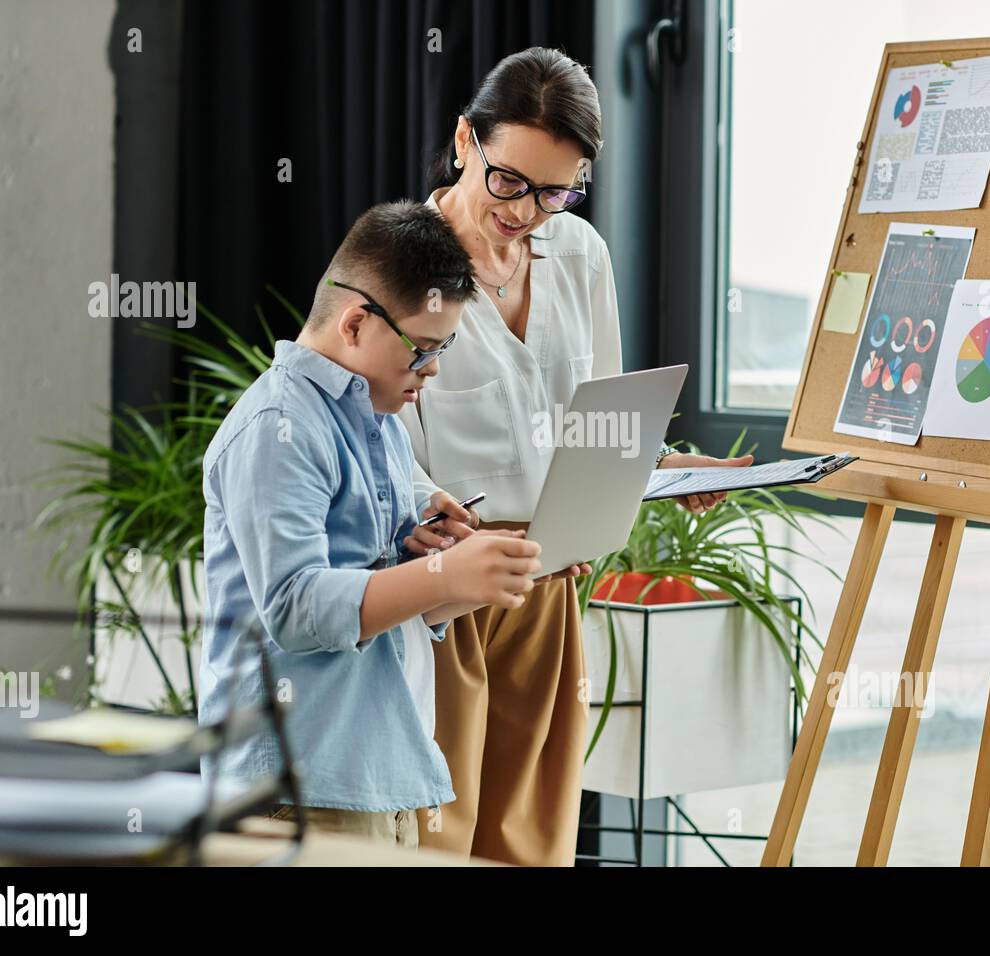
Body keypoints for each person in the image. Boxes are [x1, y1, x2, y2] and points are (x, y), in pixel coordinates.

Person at [400, 48, 751, 866]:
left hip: (550, 586)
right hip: (439, 597)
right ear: (464, 142)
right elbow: (368, 440)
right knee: (434, 842)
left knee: (532, 845)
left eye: (555, 190)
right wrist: (424, 512)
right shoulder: (399, 263)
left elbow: (597, 425)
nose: (526, 211)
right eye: (510, 182)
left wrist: (670, 469)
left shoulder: (581, 255)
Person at [197, 200, 542, 850]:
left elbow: (395, 602)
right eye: (424, 349)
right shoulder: (277, 429)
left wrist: (502, 570)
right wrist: (441, 570)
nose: (433, 369)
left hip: (380, 778)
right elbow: (297, 609)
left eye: (445, 348)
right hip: (299, 790)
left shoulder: (380, 424)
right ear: (356, 323)